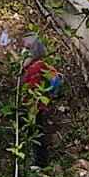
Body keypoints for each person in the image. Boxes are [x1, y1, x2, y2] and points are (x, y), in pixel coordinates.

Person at [20, 34, 61, 168]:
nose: (23, 51)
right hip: (32, 104)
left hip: (35, 106)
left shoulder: (37, 68)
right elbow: (21, 63)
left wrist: (31, 110)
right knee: (33, 132)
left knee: (37, 133)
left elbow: (34, 91)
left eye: (26, 48)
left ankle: (40, 163)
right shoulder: (35, 64)